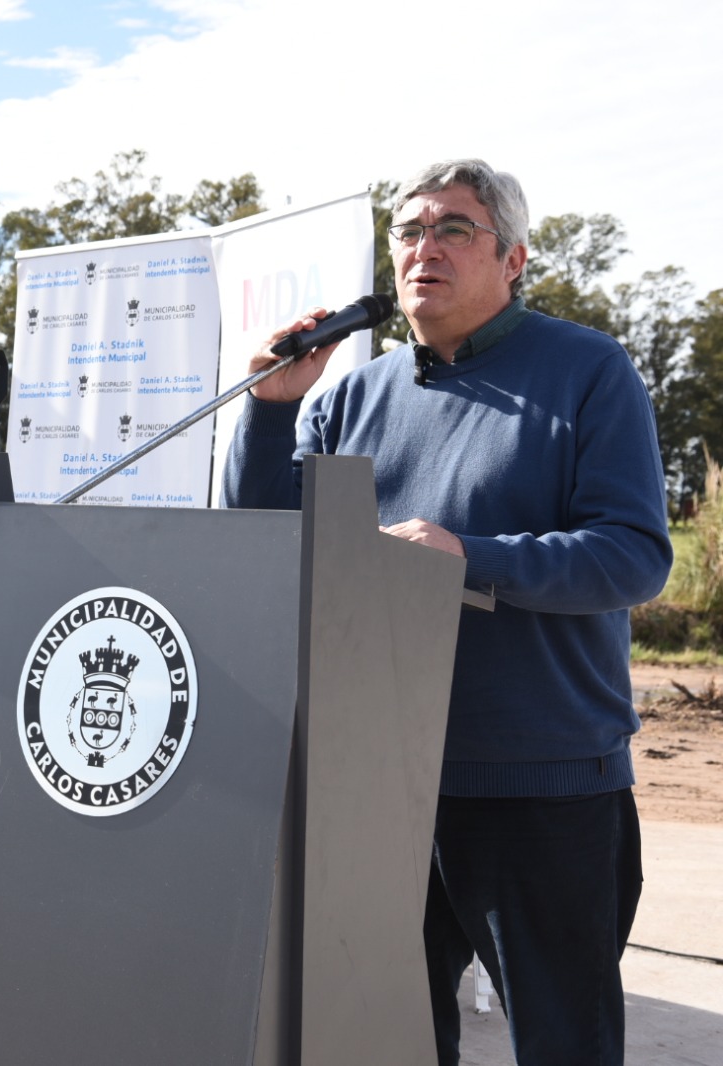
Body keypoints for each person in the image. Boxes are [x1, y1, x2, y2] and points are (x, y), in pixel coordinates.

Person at [221, 158, 672, 1065]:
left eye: (455, 229)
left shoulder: (588, 370)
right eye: (411, 232)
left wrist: (470, 558)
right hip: (370, 779)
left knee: (563, 1041)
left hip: (539, 781)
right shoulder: (351, 393)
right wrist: (272, 412)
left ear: (514, 259)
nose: (425, 248)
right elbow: (265, 541)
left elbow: (634, 555)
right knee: (381, 1040)